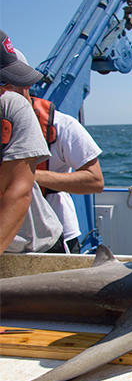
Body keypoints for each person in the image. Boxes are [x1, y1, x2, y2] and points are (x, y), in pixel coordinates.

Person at [12, 49, 104, 254]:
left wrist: (26, 177)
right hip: (9, 238)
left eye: (11, 82)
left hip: (57, 236)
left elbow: (95, 181)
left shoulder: (61, 125)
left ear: (26, 83)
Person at [0, 29, 63, 255]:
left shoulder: (12, 108)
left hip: (34, 247)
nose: (7, 90)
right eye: (2, 81)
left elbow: (18, 190)